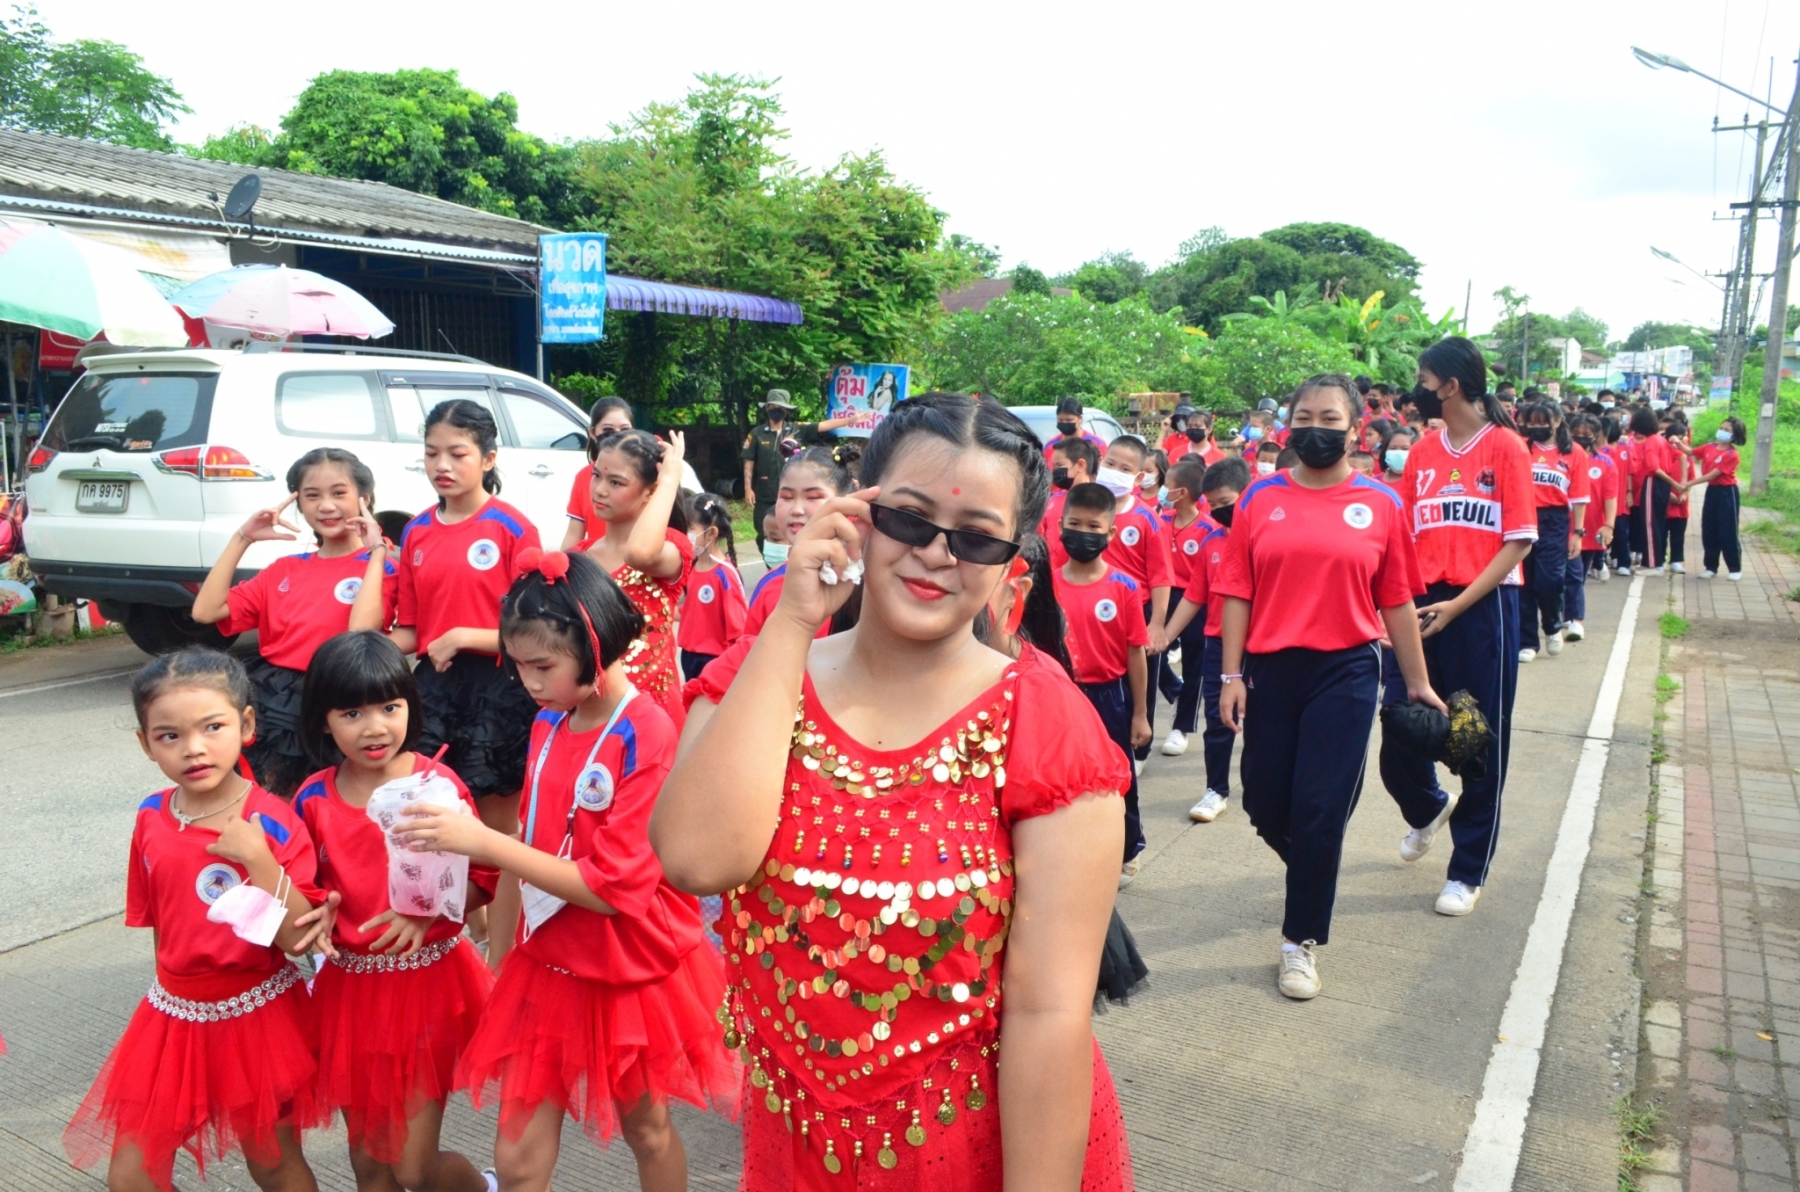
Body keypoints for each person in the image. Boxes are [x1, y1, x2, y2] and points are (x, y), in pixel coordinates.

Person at [654, 392, 1135, 1191]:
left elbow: (1049, 1013)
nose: (937, 554)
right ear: (858, 514)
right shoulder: (760, 675)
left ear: (1011, 560)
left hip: (972, 1151)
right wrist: (793, 621)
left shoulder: (1044, 721)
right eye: (909, 519)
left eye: (975, 537)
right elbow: (696, 859)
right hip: (793, 1144)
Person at [404, 549, 737, 1192]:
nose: (528, 681)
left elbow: (613, 889)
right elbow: (529, 843)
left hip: (628, 967)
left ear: (594, 645)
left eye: (543, 666)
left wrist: (483, 841)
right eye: (518, 664)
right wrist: (502, 958)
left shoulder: (646, 731)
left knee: (647, 1130)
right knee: (518, 1161)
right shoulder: (549, 721)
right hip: (547, 961)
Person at [66, 649, 329, 1192]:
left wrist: (258, 860)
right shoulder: (150, 816)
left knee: (273, 1164)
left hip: (257, 1016)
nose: (194, 748)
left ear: (246, 724)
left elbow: (301, 940)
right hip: (172, 1015)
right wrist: (168, 998)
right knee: (132, 1174)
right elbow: (160, 923)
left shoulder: (273, 821)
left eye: (213, 727)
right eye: (169, 736)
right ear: (146, 744)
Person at [1214, 374, 1440, 1000]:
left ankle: (1300, 940)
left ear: (1355, 427)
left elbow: (1396, 600)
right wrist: (1230, 675)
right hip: (1271, 669)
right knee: (1264, 804)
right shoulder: (1259, 497)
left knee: (1319, 810)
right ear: (1289, 425)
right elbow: (1236, 590)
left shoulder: (1382, 503)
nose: (1316, 428)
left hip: (1346, 671)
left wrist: (1417, 681)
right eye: (1304, 417)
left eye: (1330, 418)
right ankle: (1315, 871)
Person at [294, 631, 496, 1192]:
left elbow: (485, 877)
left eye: (389, 707)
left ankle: (485, 1187)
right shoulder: (313, 799)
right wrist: (316, 910)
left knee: (413, 1166)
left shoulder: (438, 786)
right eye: (351, 713)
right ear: (323, 720)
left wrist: (428, 914)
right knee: (369, 1166)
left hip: (430, 986)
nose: (374, 727)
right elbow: (303, 888)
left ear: (411, 705)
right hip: (349, 996)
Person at [1382, 337, 1536, 919]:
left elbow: (1517, 543)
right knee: (1401, 724)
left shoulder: (1506, 447)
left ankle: (1467, 870)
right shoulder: (1423, 451)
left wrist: (1458, 606)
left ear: (1449, 386)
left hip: (1484, 605)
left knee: (1476, 738)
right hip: (1422, 602)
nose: (1415, 391)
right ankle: (1427, 806)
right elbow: (1402, 535)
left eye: (1423, 381)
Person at [382, 400, 542, 844]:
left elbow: (538, 632)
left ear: (488, 459)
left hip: (501, 688)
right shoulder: (416, 531)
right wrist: (358, 655)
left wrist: (463, 636)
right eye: (431, 453)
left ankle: (503, 894)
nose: (442, 465)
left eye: (457, 453)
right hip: (434, 690)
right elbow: (412, 629)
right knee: (430, 816)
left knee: (495, 829)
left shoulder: (513, 529)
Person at [190, 448, 395, 797]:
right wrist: (243, 537)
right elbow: (205, 611)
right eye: (312, 496)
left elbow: (360, 631)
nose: (326, 506)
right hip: (276, 699)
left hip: (343, 693)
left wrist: (376, 552)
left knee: (338, 799)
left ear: (365, 497)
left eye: (339, 493)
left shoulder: (384, 565)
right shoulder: (284, 569)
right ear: (298, 503)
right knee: (279, 798)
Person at [1054, 481, 1153, 887]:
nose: (1083, 533)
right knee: (1064, 777)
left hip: (1110, 696)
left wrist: (1140, 714)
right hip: (1062, 695)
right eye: (1074, 524)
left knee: (1118, 778)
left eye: (1093, 527)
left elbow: (1136, 653)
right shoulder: (1048, 585)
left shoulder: (1124, 587)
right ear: (1060, 526)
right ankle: (1070, 848)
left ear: (1110, 532)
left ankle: (1129, 848)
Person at [576, 429, 693, 730]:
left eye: (616, 482)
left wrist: (669, 480)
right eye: (596, 475)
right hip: (591, 712)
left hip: (652, 718)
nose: (600, 490)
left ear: (650, 492)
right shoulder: (578, 557)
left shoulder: (671, 549)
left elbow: (638, 553)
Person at [1157, 457, 1250, 822]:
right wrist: (1165, 636)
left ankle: (1261, 783)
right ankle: (1216, 789)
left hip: (1261, 646)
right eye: (1212, 504)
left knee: (1262, 722)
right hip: (1219, 646)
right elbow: (1195, 596)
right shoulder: (1212, 542)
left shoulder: (1267, 540)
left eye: (1226, 503)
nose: (1219, 511)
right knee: (1218, 719)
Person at [1088, 436, 1172, 764]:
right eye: (1110, 464)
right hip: (1094, 612)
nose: (1115, 471)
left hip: (1137, 611)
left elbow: (1161, 576)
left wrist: (1157, 624)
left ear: (1138, 477)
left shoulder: (1147, 518)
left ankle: (1139, 750)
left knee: (1141, 682)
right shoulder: (1086, 509)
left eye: (1125, 469)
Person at [743, 443, 863, 639]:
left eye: (813, 497)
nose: (797, 509)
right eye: (786, 497)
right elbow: (747, 651)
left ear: (847, 499)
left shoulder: (870, 579)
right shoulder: (769, 584)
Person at [1516, 402, 1588, 664]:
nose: (1536, 427)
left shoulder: (1574, 452)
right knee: (1523, 582)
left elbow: (1579, 497)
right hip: (1523, 518)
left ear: (1557, 422)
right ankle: (1527, 641)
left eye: (1542, 422)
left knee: (1549, 581)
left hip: (1555, 521)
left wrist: (1577, 533)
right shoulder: (1521, 448)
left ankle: (1552, 625)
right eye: (1531, 422)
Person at [1155, 457, 1217, 758]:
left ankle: (1181, 727)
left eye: (1166, 485)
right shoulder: (1160, 521)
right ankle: (1174, 689)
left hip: (1196, 602)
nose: (1161, 490)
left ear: (1181, 492)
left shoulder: (1208, 527)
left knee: (1196, 665)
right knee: (1151, 653)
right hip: (1163, 596)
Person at [742, 390, 854, 553]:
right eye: (773, 407)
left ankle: (793, 559)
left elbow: (824, 425)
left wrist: (851, 420)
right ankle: (771, 563)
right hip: (765, 493)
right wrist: (747, 488)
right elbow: (749, 461)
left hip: (793, 493)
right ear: (766, 408)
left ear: (786, 410)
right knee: (764, 531)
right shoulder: (757, 433)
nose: (776, 410)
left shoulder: (796, 429)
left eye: (781, 408)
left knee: (793, 530)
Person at [678, 492, 747, 682]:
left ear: (711, 533)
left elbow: (739, 630)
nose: (683, 535)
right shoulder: (691, 566)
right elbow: (693, 610)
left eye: (688, 529)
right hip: (689, 655)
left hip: (714, 660)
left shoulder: (725, 576)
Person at [561, 397, 636, 550]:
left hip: (635, 561)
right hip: (596, 563)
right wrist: (561, 563)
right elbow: (574, 534)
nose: (617, 436)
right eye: (608, 430)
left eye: (625, 430)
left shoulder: (645, 473)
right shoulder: (583, 476)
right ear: (593, 433)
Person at [1567, 413, 1617, 636]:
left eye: (1586, 434)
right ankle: (1573, 618)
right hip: (1563, 528)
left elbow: (1610, 497)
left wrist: (1609, 526)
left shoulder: (1605, 462)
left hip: (1591, 528)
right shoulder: (1561, 458)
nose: (1581, 437)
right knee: (1571, 574)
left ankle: (1569, 614)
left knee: (1579, 576)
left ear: (1596, 435)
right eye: (1576, 433)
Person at [1625, 408, 1682, 574]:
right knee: (1657, 523)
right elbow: (1678, 455)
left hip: (1653, 482)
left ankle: (1652, 564)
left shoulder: (1651, 442)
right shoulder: (1660, 439)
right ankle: (1655, 561)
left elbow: (1653, 468)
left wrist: (1675, 484)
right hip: (1662, 484)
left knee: (1650, 523)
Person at [1695, 416, 1746, 579]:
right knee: (1709, 528)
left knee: (1727, 531)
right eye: (1721, 428)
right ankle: (1710, 567)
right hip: (1712, 491)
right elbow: (1691, 452)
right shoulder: (1710, 446)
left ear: (1734, 435)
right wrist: (1676, 441)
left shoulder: (1732, 454)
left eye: (1727, 430)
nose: (1722, 431)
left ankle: (1734, 568)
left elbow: (1712, 475)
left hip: (1727, 493)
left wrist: (1688, 484)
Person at [1041, 436, 1100, 542]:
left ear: (1080, 465)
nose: (1055, 471)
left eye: (1059, 465)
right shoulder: (1052, 501)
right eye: (1054, 466)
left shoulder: (1100, 501)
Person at [1661, 422, 1695, 574]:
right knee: (1661, 533)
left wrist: (1685, 493)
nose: (1686, 439)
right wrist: (1667, 493)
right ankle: (1660, 559)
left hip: (1681, 504)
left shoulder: (1687, 458)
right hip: (1664, 500)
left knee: (1678, 534)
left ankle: (1676, 560)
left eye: (1686, 436)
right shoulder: (1663, 454)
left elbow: (1691, 478)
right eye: (1683, 436)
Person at [1042, 394, 1109, 463]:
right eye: (1060, 420)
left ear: (1080, 419)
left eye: (1069, 420)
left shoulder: (1097, 444)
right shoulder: (1050, 446)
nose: (1064, 423)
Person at [1378, 423, 1420, 489]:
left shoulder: (1420, 484)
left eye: (1404, 449)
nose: (1398, 453)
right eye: (1393, 448)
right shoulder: (1373, 483)